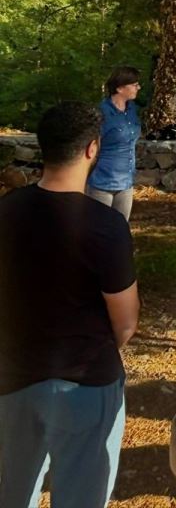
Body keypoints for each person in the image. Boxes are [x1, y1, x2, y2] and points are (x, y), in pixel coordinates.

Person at [0, 102, 139, 508]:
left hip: (13, 378)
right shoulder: (106, 225)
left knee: (14, 491)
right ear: (92, 149)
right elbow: (125, 322)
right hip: (86, 383)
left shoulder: (6, 210)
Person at [87, 65, 142, 220]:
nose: (138, 87)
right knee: (99, 229)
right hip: (102, 184)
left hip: (126, 183)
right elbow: (90, 147)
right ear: (120, 88)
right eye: (134, 84)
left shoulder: (132, 109)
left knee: (121, 229)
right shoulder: (101, 112)